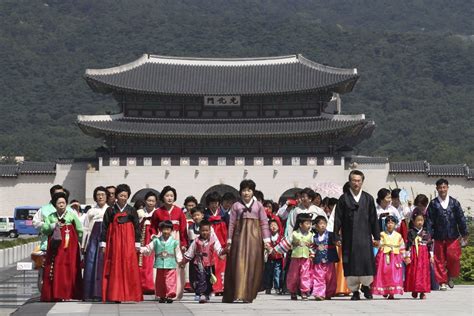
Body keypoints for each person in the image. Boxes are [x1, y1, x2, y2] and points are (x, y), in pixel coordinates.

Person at [333, 170, 380, 301]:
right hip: (349, 237)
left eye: (358, 181)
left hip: (365, 237)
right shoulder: (343, 199)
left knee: (366, 262)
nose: (356, 183)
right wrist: (336, 236)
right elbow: (338, 219)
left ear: (362, 182)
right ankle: (354, 291)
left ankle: (366, 286)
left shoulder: (368, 198)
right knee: (351, 264)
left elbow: (373, 219)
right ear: (349, 181)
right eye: (354, 180)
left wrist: (377, 237)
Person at [222, 179, 271, 303]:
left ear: (253, 192)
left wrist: (266, 240)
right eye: (244, 190)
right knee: (238, 265)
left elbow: (264, 223)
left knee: (253, 265)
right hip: (239, 238)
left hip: (255, 238)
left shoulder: (258, 205)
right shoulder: (236, 205)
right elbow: (232, 223)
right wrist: (229, 240)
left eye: (249, 190)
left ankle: (249, 294)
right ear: (240, 192)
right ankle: (238, 293)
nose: (246, 193)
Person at [101, 184, 142, 302]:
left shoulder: (132, 210)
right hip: (114, 240)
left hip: (128, 240)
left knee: (129, 264)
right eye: (121, 195)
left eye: (125, 196)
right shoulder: (110, 210)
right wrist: (103, 243)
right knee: (115, 265)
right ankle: (115, 294)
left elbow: (137, 227)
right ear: (116, 196)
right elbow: (104, 227)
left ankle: (130, 294)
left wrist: (137, 243)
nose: (123, 198)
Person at [41, 192, 83, 302]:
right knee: (56, 268)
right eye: (59, 203)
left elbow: (79, 229)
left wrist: (79, 242)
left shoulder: (71, 215)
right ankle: (55, 293)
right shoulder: (51, 217)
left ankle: (70, 292)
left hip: (70, 247)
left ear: (66, 204)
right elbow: (44, 229)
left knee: (70, 267)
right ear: (55, 204)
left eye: (63, 203)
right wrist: (54, 225)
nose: (61, 205)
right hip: (56, 246)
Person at [427, 178, 468, 290]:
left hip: (453, 236)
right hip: (439, 236)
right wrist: (429, 235)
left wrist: (464, 233)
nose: (442, 189)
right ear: (437, 189)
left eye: (444, 187)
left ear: (447, 188)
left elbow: (461, 218)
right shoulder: (433, 203)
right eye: (440, 187)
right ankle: (442, 282)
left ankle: (450, 276)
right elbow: (429, 220)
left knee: (454, 258)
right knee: (439, 259)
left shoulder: (454, 203)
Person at [151, 186, 188, 300]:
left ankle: (175, 292)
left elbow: (183, 229)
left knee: (176, 265)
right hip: (162, 240)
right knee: (161, 265)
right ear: (162, 197)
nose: (169, 198)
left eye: (172, 196)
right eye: (167, 195)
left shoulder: (179, 211)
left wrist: (183, 243)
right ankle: (161, 292)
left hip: (175, 238)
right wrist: (154, 238)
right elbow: (153, 227)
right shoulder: (157, 212)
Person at [181, 220, 224, 303]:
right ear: (199, 231)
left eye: (207, 230)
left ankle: (207, 294)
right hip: (199, 264)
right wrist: (184, 261)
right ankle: (201, 294)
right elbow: (190, 252)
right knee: (201, 278)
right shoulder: (196, 241)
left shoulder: (213, 240)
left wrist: (224, 252)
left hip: (210, 264)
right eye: (203, 231)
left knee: (209, 280)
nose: (205, 232)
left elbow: (219, 250)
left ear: (210, 231)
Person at [272, 213, 314, 300]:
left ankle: (304, 291)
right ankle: (293, 291)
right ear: (300, 224)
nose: (309, 225)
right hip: (295, 258)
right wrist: (275, 250)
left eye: (310, 223)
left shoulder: (311, 235)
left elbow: (313, 246)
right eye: (307, 223)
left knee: (305, 275)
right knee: (293, 275)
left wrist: (313, 254)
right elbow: (285, 243)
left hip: (306, 259)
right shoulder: (294, 234)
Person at [140, 220, 182, 303]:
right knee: (160, 281)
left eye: (168, 229)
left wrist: (180, 260)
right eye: (164, 229)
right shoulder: (156, 241)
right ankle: (162, 295)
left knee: (170, 280)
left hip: (171, 265)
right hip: (160, 264)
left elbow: (178, 252)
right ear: (160, 230)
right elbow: (148, 248)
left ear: (171, 230)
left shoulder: (174, 242)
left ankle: (170, 295)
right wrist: (140, 249)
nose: (166, 231)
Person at [82, 186, 109, 301]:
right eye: (98, 194)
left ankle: (105, 292)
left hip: (106, 239)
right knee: (91, 263)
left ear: (107, 196)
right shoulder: (91, 211)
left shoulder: (110, 210)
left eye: (103, 194)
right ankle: (90, 293)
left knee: (105, 263)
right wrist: (83, 244)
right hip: (93, 238)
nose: (100, 196)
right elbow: (85, 228)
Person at [372, 216, 406, 299]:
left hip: (395, 256)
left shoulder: (398, 235)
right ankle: (384, 289)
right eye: (388, 223)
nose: (390, 225)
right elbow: (377, 243)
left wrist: (405, 256)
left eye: (392, 223)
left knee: (394, 274)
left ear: (395, 224)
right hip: (384, 256)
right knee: (384, 273)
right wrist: (376, 243)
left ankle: (392, 292)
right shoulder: (382, 234)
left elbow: (402, 246)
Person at [33, 185, 73, 252]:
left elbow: (78, 227)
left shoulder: (70, 210)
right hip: (48, 246)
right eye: (57, 194)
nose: (60, 196)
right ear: (52, 195)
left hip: (66, 247)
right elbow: (35, 223)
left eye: (62, 194)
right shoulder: (44, 209)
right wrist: (51, 226)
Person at [404, 209, 433, 299]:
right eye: (418, 220)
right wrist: (407, 256)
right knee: (414, 271)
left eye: (422, 220)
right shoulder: (410, 232)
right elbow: (408, 244)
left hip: (424, 254)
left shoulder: (426, 232)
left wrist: (431, 255)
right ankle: (414, 288)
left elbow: (430, 245)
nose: (420, 222)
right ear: (413, 221)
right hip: (414, 253)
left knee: (423, 272)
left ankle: (422, 291)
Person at [204, 191, 227, 295]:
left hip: (221, 243)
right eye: (212, 203)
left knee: (221, 266)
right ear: (208, 204)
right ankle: (212, 287)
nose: (214, 205)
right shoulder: (205, 216)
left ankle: (221, 287)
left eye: (216, 202)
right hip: (210, 244)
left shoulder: (224, 215)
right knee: (211, 265)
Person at [311, 215, 338, 301]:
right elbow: (312, 247)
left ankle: (329, 293)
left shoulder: (331, 235)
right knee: (318, 276)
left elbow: (337, 241)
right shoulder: (314, 237)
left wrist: (338, 242)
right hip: (319, 260)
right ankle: (319, 293)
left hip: (329, 259)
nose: (322, 225)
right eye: (320, 223)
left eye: (324, 223)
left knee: (330, 277)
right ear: (316, 226)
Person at [137, 191, 158, 294]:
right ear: (145, 201)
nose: (150, 202)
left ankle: (152, 284)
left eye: (153, 201)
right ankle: (141, 284)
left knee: (152, 260)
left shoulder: (157, 212)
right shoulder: (139, 212)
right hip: (142, 237)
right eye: (149, 200)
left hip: (153, 238)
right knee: (141, 260)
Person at [263, 219, 284, 295]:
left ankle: (277, 287)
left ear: (278, 227)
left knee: (277, 273)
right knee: (268, 273)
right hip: (270, 257)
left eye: (275, 225)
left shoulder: (281, 237)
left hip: (278, 258)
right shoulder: (267, 238)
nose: (273, 227)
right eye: (271, 225)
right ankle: (268, 287)